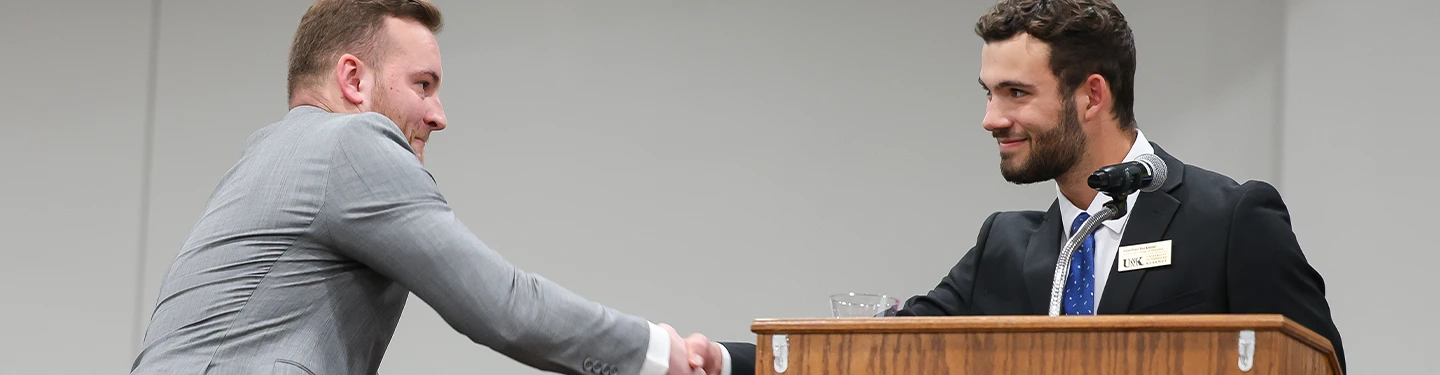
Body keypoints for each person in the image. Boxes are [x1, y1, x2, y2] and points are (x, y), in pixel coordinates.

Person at [713, 1, 1345, 374]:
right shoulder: (1004, 245)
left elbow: (1316, 366)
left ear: (1091, 95)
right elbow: (877, 354)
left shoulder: (1230, 218)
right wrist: (717, 361)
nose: (991, 118)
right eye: (989, 94)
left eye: (1016, 93)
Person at [131, 1, 724, 374]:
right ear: (353, 79)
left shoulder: (271, 154)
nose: (439, 116)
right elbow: (502, 306)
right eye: (423, 84)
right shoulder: (350, 144)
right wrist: (655, 352)